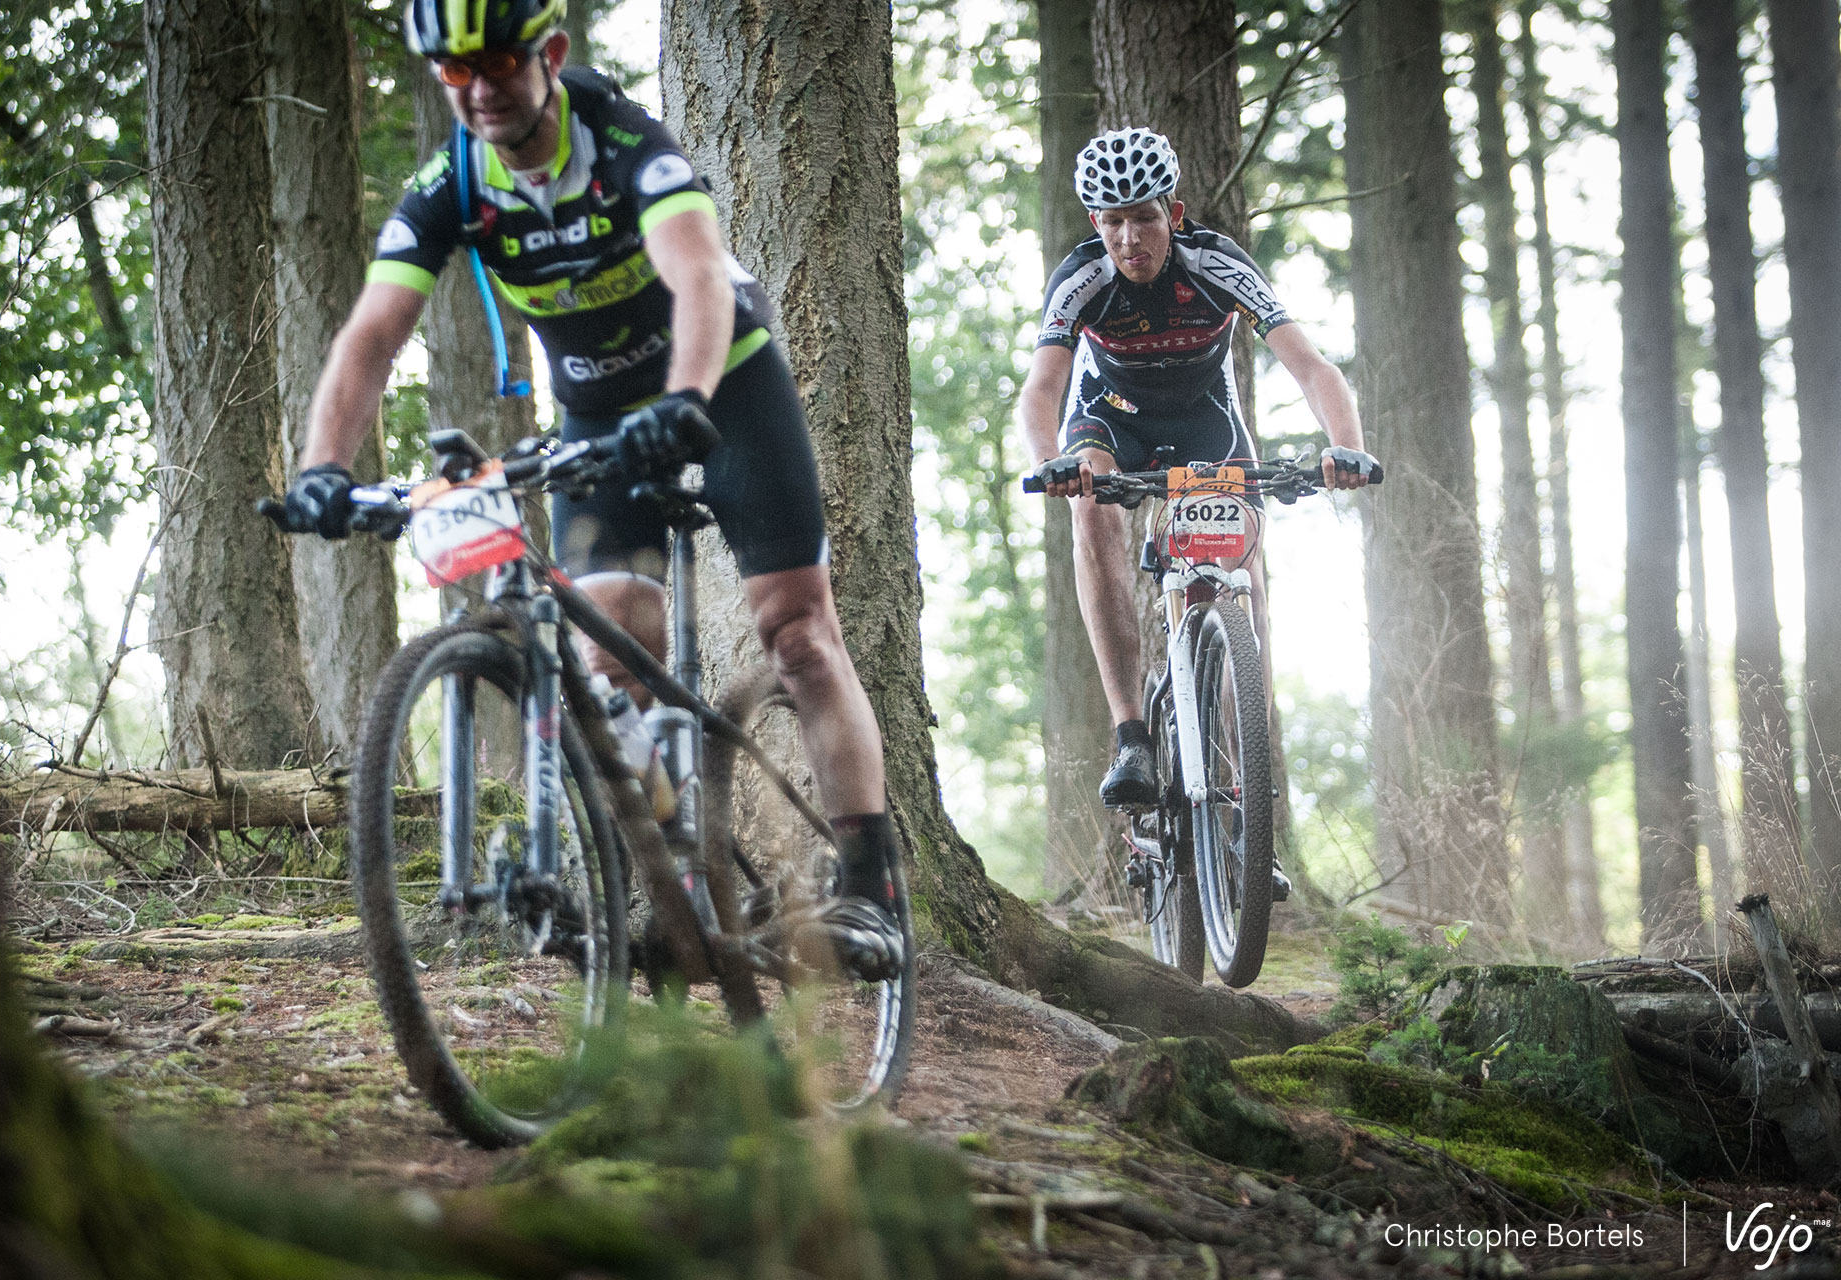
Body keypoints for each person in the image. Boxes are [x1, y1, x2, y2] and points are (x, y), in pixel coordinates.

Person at [280, 0, 901, 975]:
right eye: (454, 73)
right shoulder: (452, 182)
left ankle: (870, 885)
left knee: (797, 632)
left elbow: (696, 276)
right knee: (604, 647)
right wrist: (322, 466)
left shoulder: (622, 140)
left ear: (550, 55)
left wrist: (686, 399)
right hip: (596, 412)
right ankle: (676, 875)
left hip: (723, 378)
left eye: (495, 63)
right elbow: (371, 332)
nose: (477, 89)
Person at [1017, 127, 1377, 812]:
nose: (1130, 239)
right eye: (1114, 222)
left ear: (1173, 216)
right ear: (1097, 223)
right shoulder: (1082, 276)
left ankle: (1251, 791)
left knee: (1248, 583)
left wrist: (1344, 445)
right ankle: (1130, 736)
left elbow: (1309, 364)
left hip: (1206, 424)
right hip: (1109, 419)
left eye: (1145, 217)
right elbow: (1041, 390)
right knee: (1090, 511)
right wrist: (1050, 464)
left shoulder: (1217, 263)